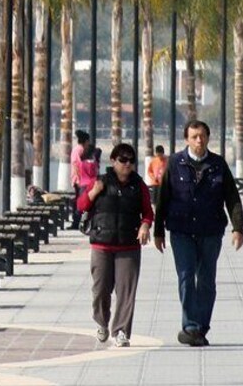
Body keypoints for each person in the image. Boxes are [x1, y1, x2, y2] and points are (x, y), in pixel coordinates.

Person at [154, 120, 243, 347]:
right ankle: (191, 326)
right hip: (181, 230)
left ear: (208, 138)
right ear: (186, 139)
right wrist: (157, 231)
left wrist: (238, 228)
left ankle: (201, 327)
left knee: (206, 281)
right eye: (194, 136)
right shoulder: (174, 163)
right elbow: (163, 197)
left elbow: (232, 197)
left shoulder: (218, 164)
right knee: (185, 277)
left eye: (202, 136)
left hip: (210, 231)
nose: (198, 140)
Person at [78, 143, 153, 348]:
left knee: (126, 291)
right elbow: (82, 205)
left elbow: (147, 212)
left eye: (131, 160)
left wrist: (145, 226)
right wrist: (94, 192)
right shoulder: (100, 181)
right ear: (113, 161)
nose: (127, 164)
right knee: (100, 290)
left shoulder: (139, 186)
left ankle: (121, 331)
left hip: (129, 246)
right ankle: (102, 322)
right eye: (122, 160)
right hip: (102, 245)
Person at [70, 130, 91, 229]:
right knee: (79, 202)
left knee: (78, 202)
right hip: (79, 180)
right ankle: (76, 223)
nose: (89, 143)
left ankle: (76, 222)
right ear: (85, 141)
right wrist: (78, 180)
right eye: (88, 141)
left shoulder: (77, 149)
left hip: (78, 179)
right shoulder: (80, 150)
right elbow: (77, 165)